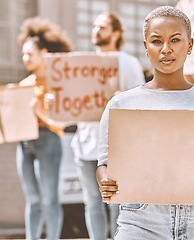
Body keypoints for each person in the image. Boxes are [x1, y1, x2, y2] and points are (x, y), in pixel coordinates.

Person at [96, 6, 194, 239]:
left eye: (175, 40)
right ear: (146, 47)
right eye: (156, 41)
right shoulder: (121, 104)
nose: (166, 49)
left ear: (190, 45)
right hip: (141, 223)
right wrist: (106, 182)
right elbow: (104, 163)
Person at [70, 12, 145, 240]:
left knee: (116, 202)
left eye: (101, 27)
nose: (96, 30)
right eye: (94, 26)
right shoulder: (81, 65)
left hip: (117, 148)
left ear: (116, 33)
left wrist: (124, 98)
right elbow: (71, 104)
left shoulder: (129, 63)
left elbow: (142, 103)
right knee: (92, 202)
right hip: (85, 145)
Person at [17, 17, 72, 240]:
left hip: (49, 140)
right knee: (32, 199)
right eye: (23, 54)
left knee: (50, 198)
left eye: (30, 54)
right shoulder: (22, 85)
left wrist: (41, 111)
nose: (25, 58)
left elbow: (64, 120)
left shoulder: (57, 83)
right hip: (25, 142)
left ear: (44, 53)